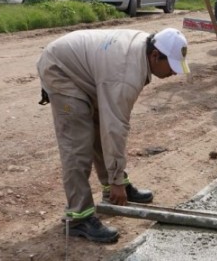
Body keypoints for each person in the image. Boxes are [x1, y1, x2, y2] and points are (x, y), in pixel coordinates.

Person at [36, 28, 191, 243]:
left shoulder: (143, 49)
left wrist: (116, 181)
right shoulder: (125, 75)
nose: (174, 73)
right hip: (62, 70)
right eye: (172, 66)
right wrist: (116, 179)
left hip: (87, 69)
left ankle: (112, 189)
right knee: (78, 144)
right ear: (155, 56)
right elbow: (115, 128)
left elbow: (108, 125)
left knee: (101, 125)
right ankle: (79, 217)